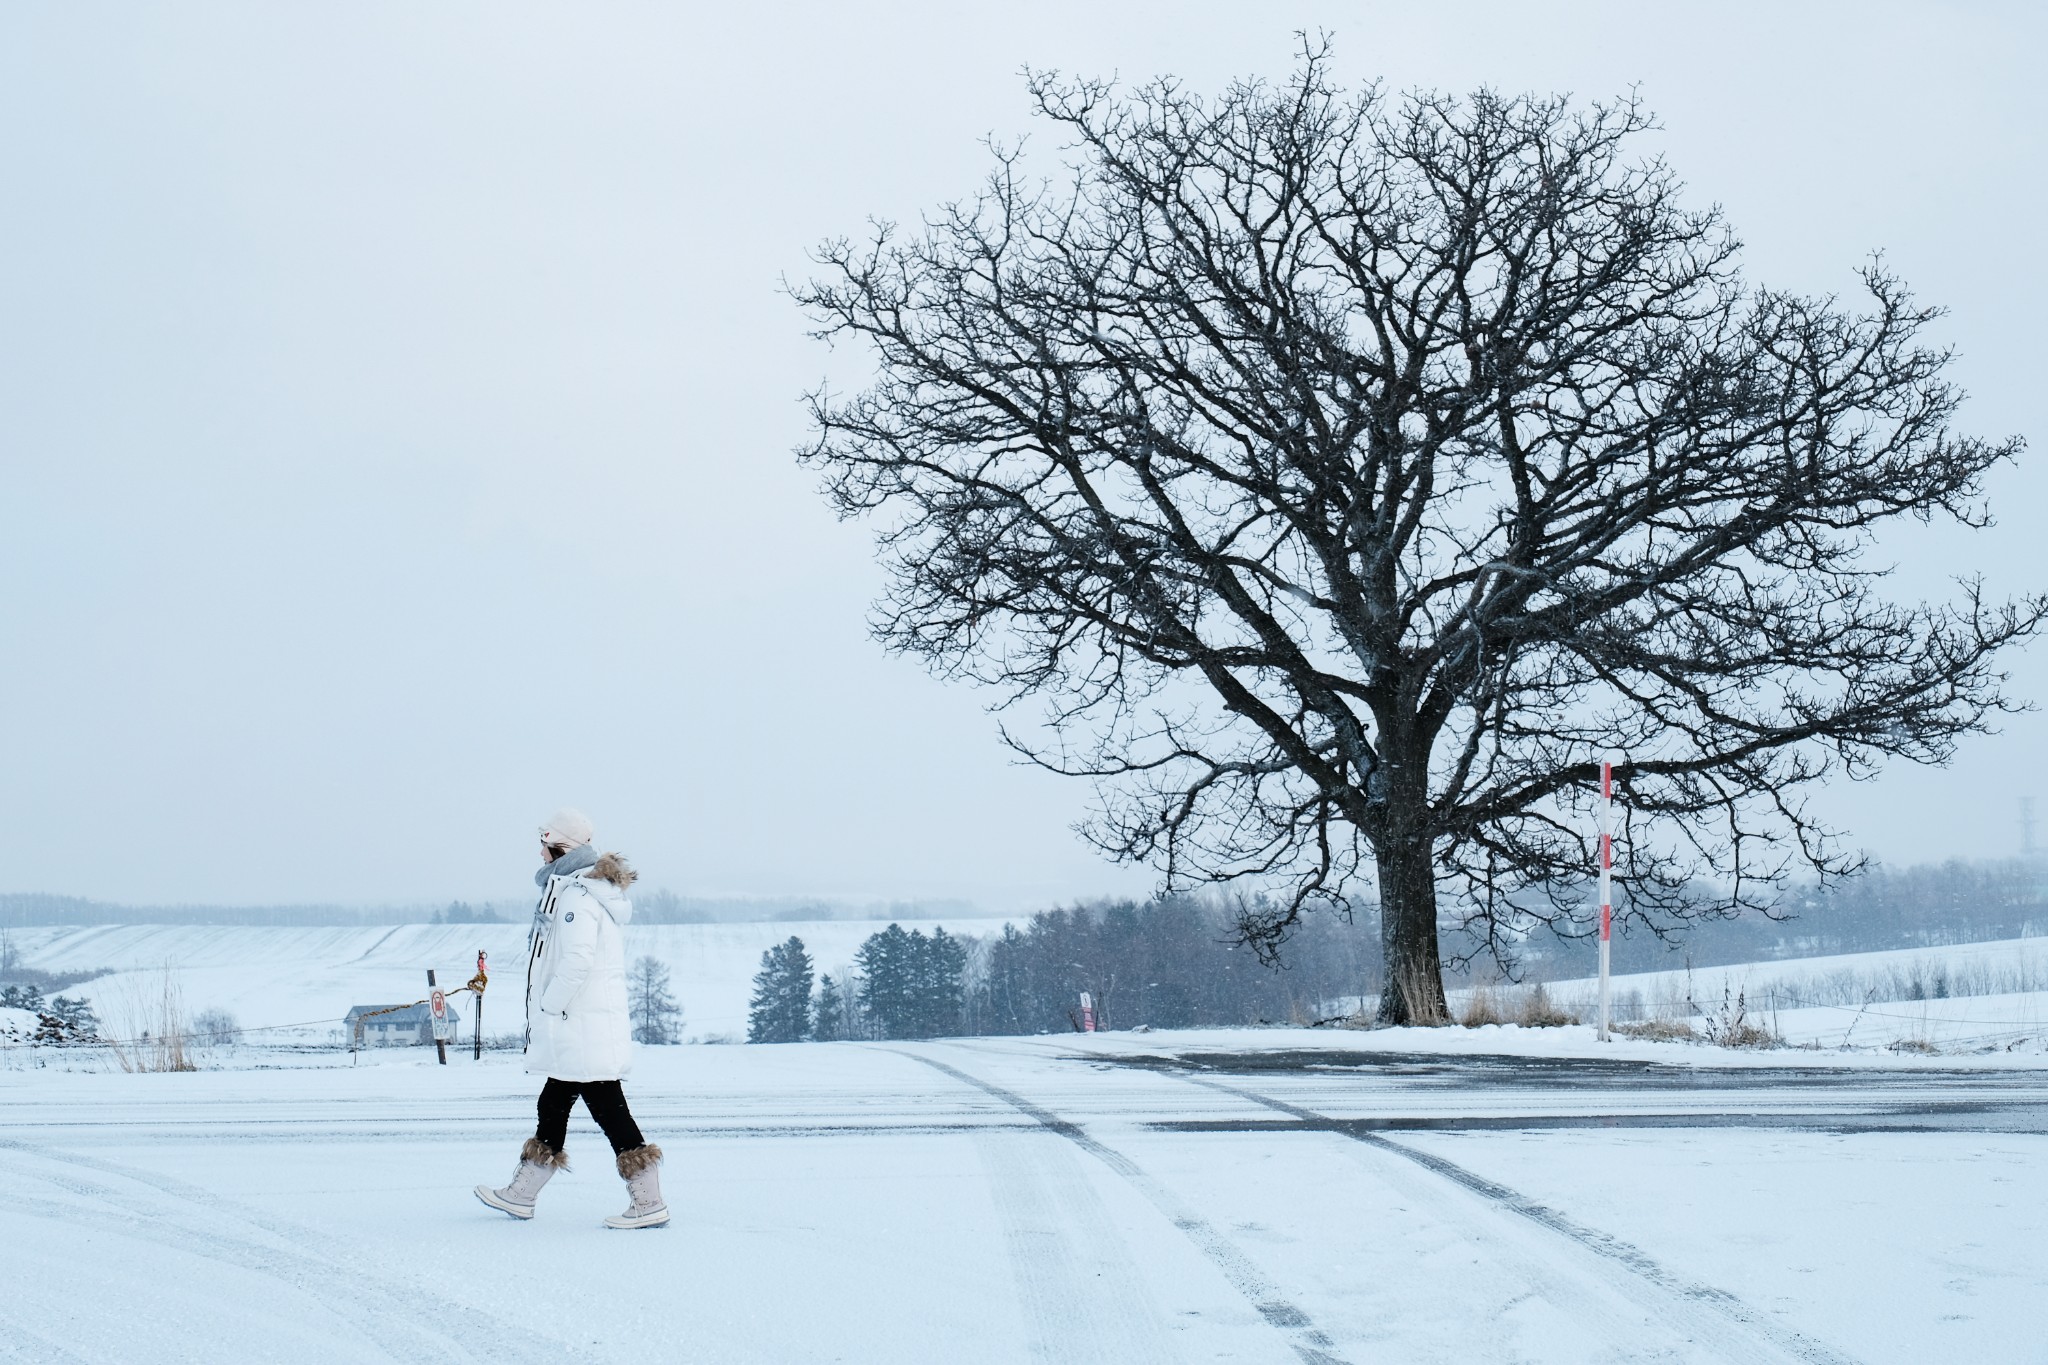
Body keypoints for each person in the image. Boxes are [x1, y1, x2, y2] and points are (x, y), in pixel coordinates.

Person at [475, 807, 670, 1229]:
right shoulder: (574, 891)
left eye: (543, 845)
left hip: (579, 1023)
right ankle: (522, 1195)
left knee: (605, 1109)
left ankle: (648, 1201)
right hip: (580, 1024)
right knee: (561, 1103)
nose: (540, 854)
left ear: (558, 846)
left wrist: (550, 1003)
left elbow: (577, 960)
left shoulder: (577, 897)